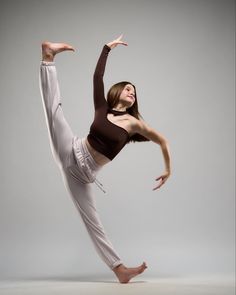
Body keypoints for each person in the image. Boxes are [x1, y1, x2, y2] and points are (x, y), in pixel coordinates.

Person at [39, 35, 171, 283]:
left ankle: (120, 270)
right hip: (70, 148)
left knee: (94, 223)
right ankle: (48, 57)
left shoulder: (134, 124)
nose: (131, 92)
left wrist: (168, 169)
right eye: (127, 88)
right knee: (53, 111)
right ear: (117, 92)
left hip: (82, 176)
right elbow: (97, 78)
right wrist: (106, 49)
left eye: (134, 91)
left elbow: (163, 140)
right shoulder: (102, 108)